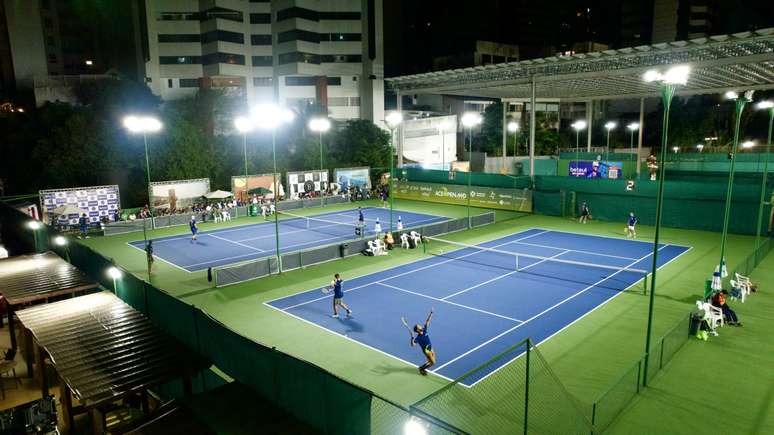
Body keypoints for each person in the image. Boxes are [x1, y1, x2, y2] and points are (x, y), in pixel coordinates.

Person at [410, 309, 436, 375]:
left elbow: (427, 321)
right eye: (419, 326)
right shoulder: (418, 338)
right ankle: (422, 368)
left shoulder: (424, 330)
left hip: (431, 347)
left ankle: (422, 367)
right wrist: (412, 337)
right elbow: (413, 345)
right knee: (433, 363)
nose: (421, 326)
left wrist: (431, 313)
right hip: (427, 351)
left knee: (431, 360)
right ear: (418, 330)